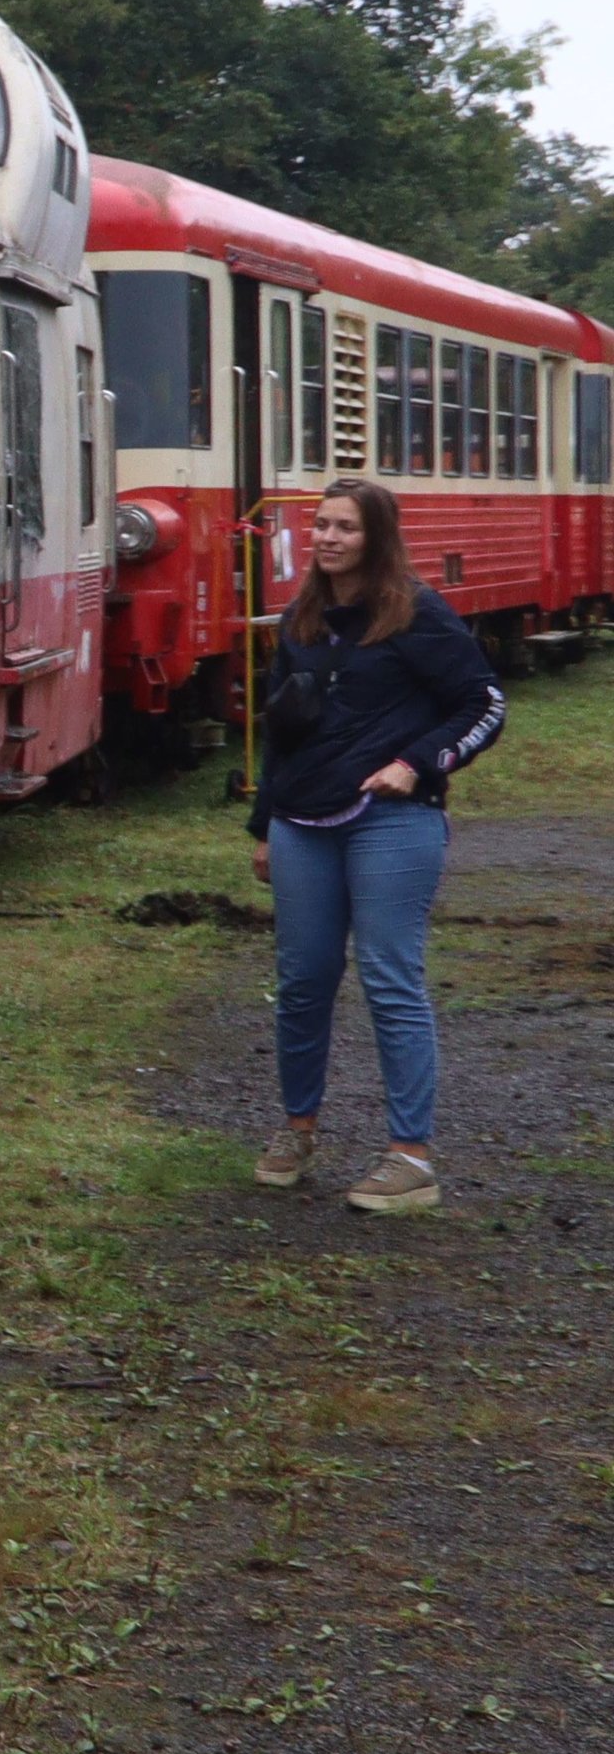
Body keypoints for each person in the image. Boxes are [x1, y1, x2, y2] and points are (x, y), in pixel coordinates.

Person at [247, 475, 504, 1208]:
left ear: (377, 537)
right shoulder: (302, 618)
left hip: (391, 823)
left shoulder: (417, 615)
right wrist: (266, 825)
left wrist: (416, 763)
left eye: (346, 528)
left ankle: (410, 1158)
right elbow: (282, 733)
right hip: (302, 824)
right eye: (322, 525)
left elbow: (484, 703)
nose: (328, 538)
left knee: (390, 978)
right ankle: (297, 1127)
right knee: (302, 983)